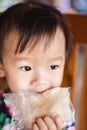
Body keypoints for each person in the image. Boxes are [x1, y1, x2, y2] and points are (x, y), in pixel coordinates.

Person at [0, 2, 75, 130]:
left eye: (53, 66)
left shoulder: (61, 114)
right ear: (2, 68)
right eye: (26, 68)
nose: (40, 81)